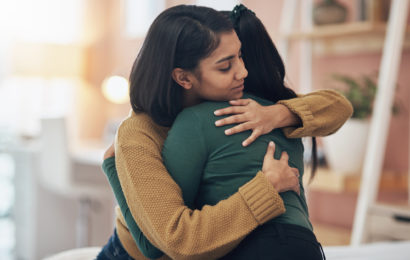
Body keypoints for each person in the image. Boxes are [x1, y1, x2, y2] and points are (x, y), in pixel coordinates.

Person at [97, 5, 352, 260]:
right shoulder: (139, 134)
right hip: (133, 253)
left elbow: (338, 106)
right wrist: (266, 188)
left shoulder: (241, 107)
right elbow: (173, 241)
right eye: (225, 66)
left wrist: (276, 114)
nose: (243, 72)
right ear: (184, 78)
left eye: (240, 56)